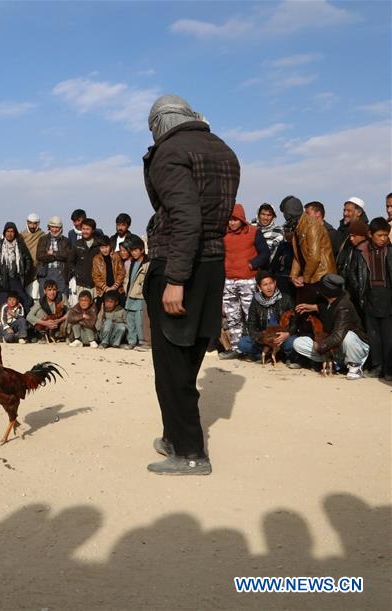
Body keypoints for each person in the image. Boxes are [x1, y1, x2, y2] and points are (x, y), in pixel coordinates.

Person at [143, 94, 240, 475]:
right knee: (190, 356)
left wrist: (175, 279)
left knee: (171, 367)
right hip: (213, 266)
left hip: (179, 264)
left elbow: (186, 218)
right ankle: (173, 435)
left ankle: (191, 452)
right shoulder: (224, 149)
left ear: (161, 122)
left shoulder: (170, 152)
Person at [337, 218, 392, 379]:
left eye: (385, 235)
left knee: (388, 334)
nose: (383, 238)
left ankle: (388, 369)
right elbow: (353, 274)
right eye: (379, 235)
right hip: (368, 295)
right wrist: (360, 292)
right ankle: (377, 366)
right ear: (370, 234)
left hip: (387, 295)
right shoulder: (360, 251)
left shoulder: (390, 251)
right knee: (373, 333)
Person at [292, 274, 370, 380]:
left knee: (348, 336)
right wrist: (314, 307)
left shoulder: (344, 306)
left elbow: (338, 335)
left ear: (326, 291)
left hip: (354, 347)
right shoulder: (331, 301)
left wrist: (320, 346)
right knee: (299, 343)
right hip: (335, 348)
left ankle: (355, 366)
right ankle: (333, 363)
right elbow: (328, 308)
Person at [220, 203, 270, 359]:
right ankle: (236, 348)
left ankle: (254, 349)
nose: (232, 223)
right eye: (229, 220)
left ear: (242, 219)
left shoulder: (254, 232)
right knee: (232, 316)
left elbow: (265, 254)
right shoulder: (223, 234)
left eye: (235, 219)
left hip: (248, 279)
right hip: (228, 280)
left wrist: (252, 264)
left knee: (251, 316)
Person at [237, 270, 299, 366]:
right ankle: (269, 355)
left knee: (293, 343)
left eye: (271, 283)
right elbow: (251, 324)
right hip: (265, 337)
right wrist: (263, 338)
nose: (269, 287)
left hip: (282, 337)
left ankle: (280, 355)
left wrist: (287, 333)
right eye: (265, 285)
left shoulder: (286, 299)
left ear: (275, 283)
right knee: (242, 343)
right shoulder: (256, 301)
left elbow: (295, 322)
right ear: (259, 287)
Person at [291, 203, 337, 304]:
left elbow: (316, 257)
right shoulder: (300, 229)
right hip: (310, 278)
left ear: (318, 214)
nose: (304, 215)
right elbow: (298, 255)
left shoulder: (327, 231)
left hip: (320, 279)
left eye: (307, 213)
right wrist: (293, 276)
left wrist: (305, 278)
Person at [0, 222, 34, 310]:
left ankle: (22, 322)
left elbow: (28, 259)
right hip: (2, 281)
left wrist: (24, 272)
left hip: (16, 279)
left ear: (15, 233)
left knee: (24, 303)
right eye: (8, 231)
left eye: (12, 231)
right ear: (4, 232)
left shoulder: (20, 245)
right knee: (5, 306)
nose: (10, 233)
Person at [36, 216, 72, 298]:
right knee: (44, 298)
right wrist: (57, 256)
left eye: (57, 227)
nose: (55, 230)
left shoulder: (66, 241)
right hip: (45, 272)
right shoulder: (43, 239)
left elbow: (67, 256)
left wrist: (53, 253)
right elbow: (40, 256)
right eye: (52, 227)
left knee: (62, 298)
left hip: (61, 272)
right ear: (49, 227)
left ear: (61, 228)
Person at [123, 237, 149, 350]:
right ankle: (132, 341)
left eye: (136, 250)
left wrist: (141, 289)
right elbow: (128, 278)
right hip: (130, 295)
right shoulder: (130, 263)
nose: (133, 253)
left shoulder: (147, 264)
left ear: (142, 250)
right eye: (132, 250)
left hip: (140, 297)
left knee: (140, 321)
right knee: (130, 320)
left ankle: (142, 341)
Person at [70, 218, 98, 306]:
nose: (85, 231)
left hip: (94, 284)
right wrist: (76, 273)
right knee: (79, 309)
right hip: (80, 284)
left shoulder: (98, 245)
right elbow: (70, 262)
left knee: (93, 310)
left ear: (93, 230)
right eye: (83, 229)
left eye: (88, 229)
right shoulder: (76, 244)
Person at [91, 239, 125, 304]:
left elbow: (121, 272)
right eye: (102, 248)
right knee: (100, 310)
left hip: (117, 289)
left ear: (110, 246)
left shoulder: (116, 256)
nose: (105, 250)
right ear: (99, 248)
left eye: (106, 247)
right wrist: (105, 288)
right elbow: (95, 276)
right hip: (102, 291)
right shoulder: (96, 259)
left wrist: (115, 286)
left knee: (121, 307)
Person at [20, 213, 44, 299]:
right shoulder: (21, 236)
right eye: (30, 223)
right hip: (25, 270)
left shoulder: (42, 235)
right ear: (27, 223)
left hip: (36, 270)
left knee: (35, 297)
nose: (32, 226)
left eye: (35, 223)